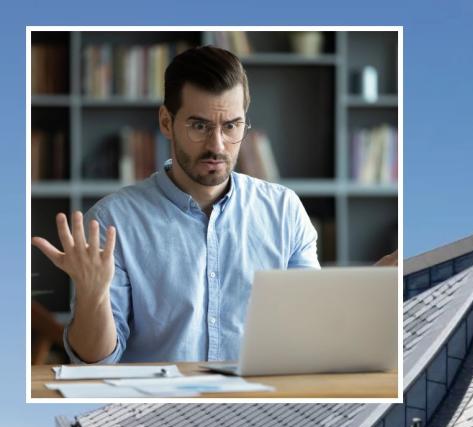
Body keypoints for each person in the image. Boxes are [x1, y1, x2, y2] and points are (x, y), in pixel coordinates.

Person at [31, 45, 398, 365]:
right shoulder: (112, 222)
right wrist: (94, 295)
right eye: (199, 125)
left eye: (232, 126)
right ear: (166, 122)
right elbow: (95, 361)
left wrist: (365, 296)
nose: (218, 146)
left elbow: (313, 333)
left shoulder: (284, 211)